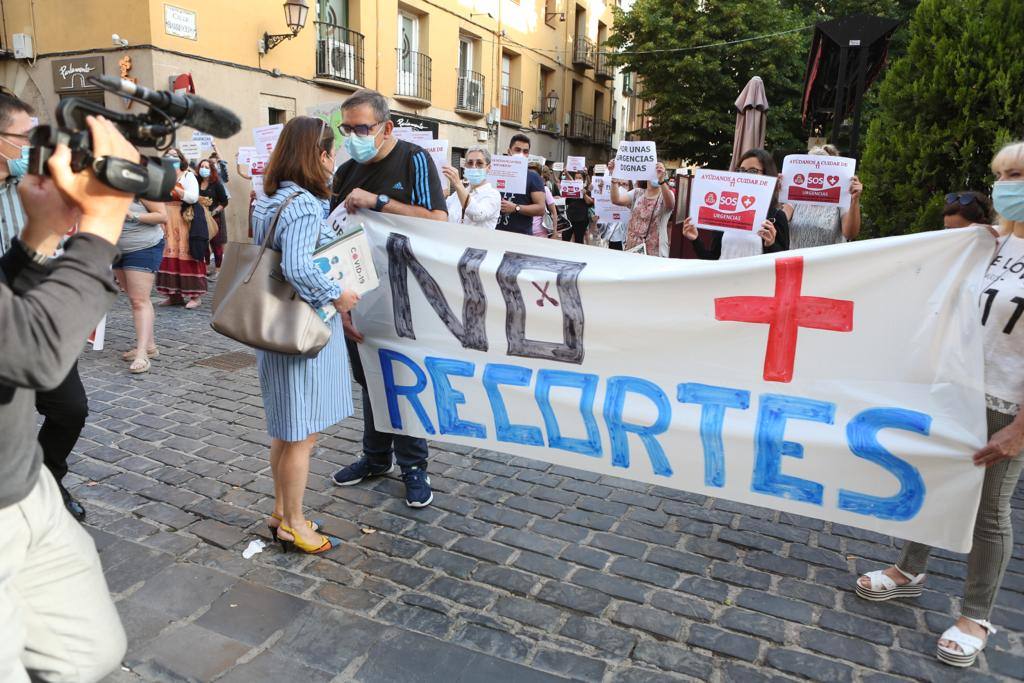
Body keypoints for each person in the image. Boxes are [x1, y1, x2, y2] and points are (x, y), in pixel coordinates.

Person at [854, 141, 1024, 669]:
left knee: (990, 511)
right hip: (955, 388)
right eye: (1001, 175)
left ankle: (976, 615)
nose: (1005, 185)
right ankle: (909, 570)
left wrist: (1021, 428)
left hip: (1008, 402)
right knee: (929, 481)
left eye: (1016, 174)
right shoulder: (987, 244)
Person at [1, 113, 135, 683]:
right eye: (29, 140)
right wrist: (101, 226)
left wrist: (39, 235)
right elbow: (33, 350)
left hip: (22, 484)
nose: (45, 151)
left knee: (92, 651)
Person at [329, 89, 446, 508]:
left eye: (362, 128)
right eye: (347, 129)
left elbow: (437, 221)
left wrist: (378, 202)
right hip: (359, 294)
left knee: (401, 379)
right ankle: (375, 457)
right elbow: (334, 237)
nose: (353, 137)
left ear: (386, 127)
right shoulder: (345, 172)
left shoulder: (414, 159)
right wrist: (339, 304)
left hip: (406, 294)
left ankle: (414, 467)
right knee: (369, 379)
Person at [253, 116, 359, 555]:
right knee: (301, 435)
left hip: (278, 325)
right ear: (318, 154)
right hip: (301, 330)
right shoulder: (302, 204)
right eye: (330, 150)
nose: (334, 158)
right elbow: (297, 266)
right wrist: (336, 295)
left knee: (286, 430)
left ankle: (281, 512)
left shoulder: (272, 197)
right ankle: (294, 523)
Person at [0, 92, 94, 523]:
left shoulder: (29, 186)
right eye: (27, 137)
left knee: (70, 408)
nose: (35, 146)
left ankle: (49, 476)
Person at [681, 148, 790, 259]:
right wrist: (695, 240)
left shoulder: (776, 216)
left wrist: (771, 245)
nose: (745, 176)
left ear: (767, 174)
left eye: (753, 171)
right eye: (741, 170)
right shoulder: (725, 212)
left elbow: (784, 262)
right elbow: (714, 259)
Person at [113, 197, 167, 374]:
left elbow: (162, 216)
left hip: (143, 247)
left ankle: (142, 354)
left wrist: (132, 215)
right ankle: (150, 346)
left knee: (139, 300)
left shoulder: (143, 185)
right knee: (135, 298)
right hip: (116, 247)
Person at [155, 148, 208, 309]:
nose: (171, 158)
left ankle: (195, 296)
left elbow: (192, 197)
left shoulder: (188, 176)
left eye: (174, 156)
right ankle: (174, 296)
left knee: (187, 255)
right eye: (168, 156)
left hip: (185, 220)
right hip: (166, 220)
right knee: (168, 256)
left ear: (180, 158)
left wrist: (175, 187)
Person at [782, 145, 863, 248]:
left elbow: (850, 233)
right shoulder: (797, 195)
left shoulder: (840, 197)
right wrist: (779, 192)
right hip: (798, 261)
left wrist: (855, 200)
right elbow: (781, 221)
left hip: (828, 262)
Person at [609, 158, 675, 256]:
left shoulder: (666, 194)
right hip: (633, 249)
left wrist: (662, 181)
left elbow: (670, 205)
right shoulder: (637, 193)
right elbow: (616, 200)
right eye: (654, 171)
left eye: (660, 171)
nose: (656, 174)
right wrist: (614, 178)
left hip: (655, 252)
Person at [497, 134, 546, 235]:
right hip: (494, 232)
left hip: (520, 236)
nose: (521, 154)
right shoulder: (497, 172)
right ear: (509, 151)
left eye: (525, 151)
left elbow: (541, 209)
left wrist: (516, 208)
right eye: (517, 150)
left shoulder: (533, 177)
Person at [444, 146, 500, 229]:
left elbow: (478, 214)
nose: (474, 167)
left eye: (479, 163)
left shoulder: (493, 195)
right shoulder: (456, 194)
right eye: (470, 163)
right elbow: (443, 213)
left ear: (489, 168)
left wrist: (458, 184)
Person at [197, 157, 229, 276]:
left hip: (213, 219)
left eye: (206, 167)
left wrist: (214, 212)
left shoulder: (216, 184)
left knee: (216, 244)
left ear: (211, 170)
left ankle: (218, 269)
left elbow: (224, 202)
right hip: (199, 218)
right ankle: (205, 267)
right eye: (202, 166)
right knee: (203, 244)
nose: (203, 169)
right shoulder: (196, 182)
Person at [562, 171, 594, 244]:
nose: (577, 179)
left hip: (581, 219)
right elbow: (567, 201)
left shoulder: (587, 189)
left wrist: (584, 194)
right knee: (565, 238)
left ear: (583, 179)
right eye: (576, 178)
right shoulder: (572, 187)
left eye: (580, 178)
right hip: (569, 218)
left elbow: (590, 202)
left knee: (578, 240)